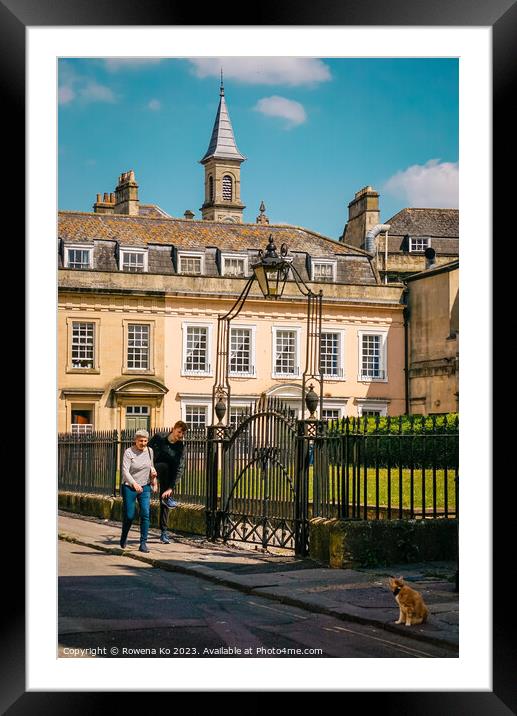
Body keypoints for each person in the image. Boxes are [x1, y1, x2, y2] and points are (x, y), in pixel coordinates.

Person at [148, 421, 187, 544]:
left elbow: (180, 468)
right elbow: (147, 451)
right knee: (164, 466)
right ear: (173, 429)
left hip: (168, 476)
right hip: (154, 468)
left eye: (183, 433)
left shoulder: (180, 446)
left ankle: (164, 532)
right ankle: (152, 483)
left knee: (165, 500)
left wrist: (171, 488)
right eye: (179, 432)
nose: (180, 435)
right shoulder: (159, 437)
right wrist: (150, 469)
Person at [119, 429, 158, 553]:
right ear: (135, 440)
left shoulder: (150, 451)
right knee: (130, 516)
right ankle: (124, 535)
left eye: (145, 441)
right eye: (141, 440)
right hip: (129, 487)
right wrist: (134, 484)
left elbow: (151, 467)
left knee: (145, 514)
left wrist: (154, 479)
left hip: (145, 486)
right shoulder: (129, 452)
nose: (143, 443)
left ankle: (143, 543)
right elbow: (125, 471)